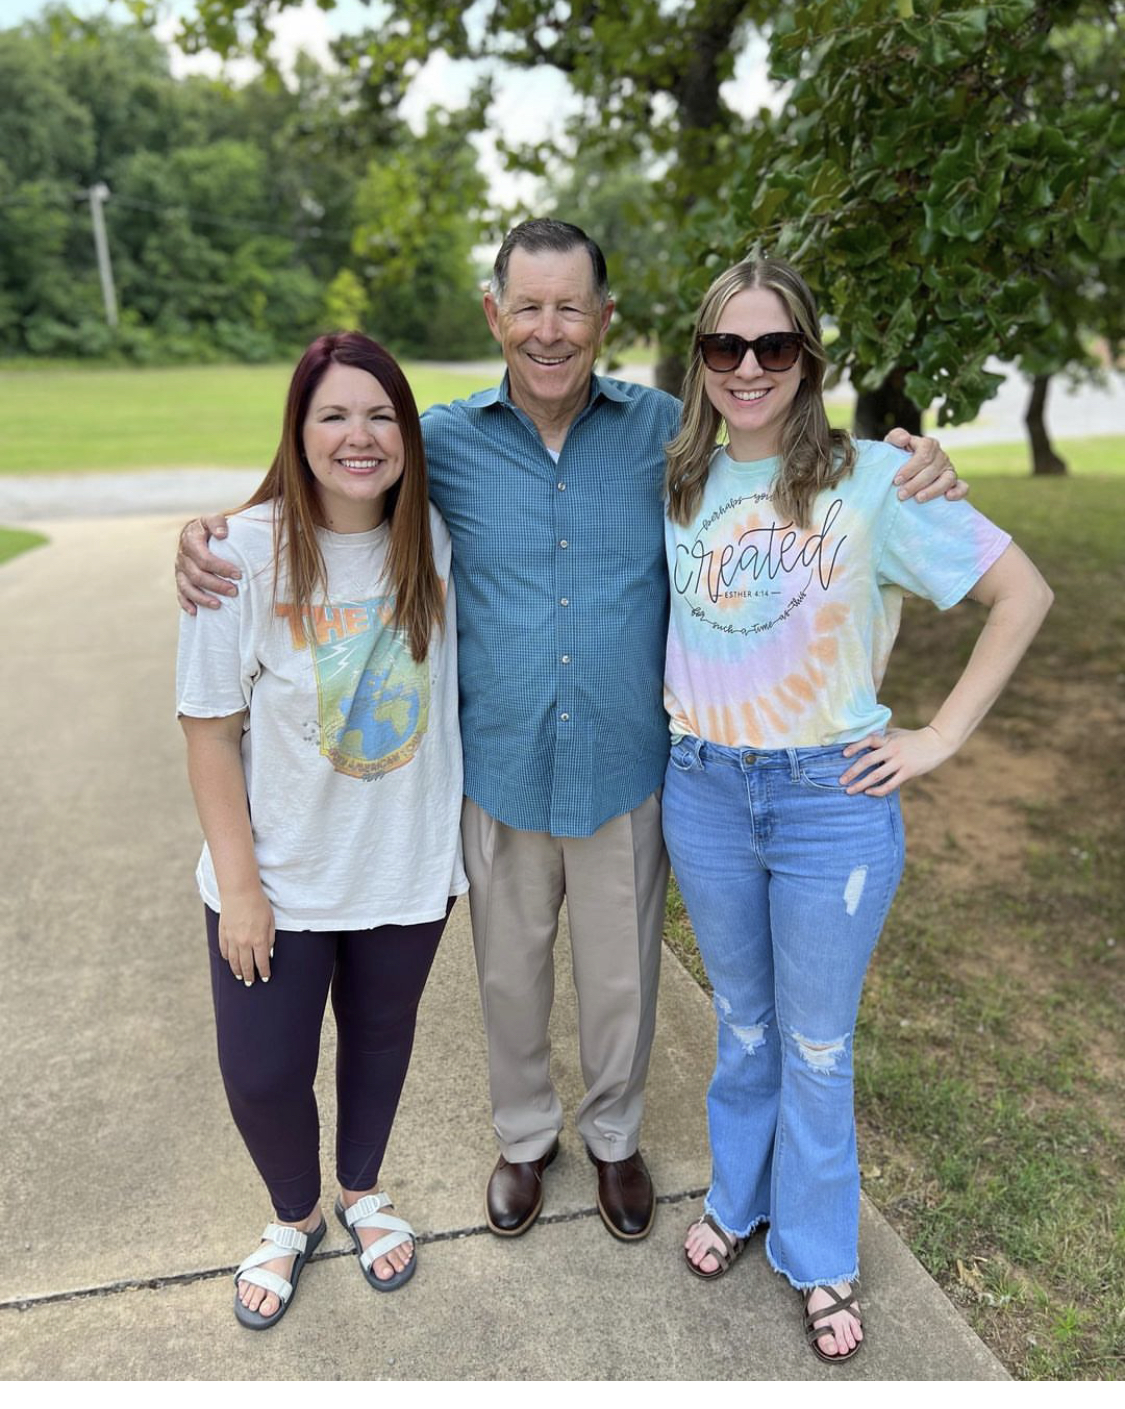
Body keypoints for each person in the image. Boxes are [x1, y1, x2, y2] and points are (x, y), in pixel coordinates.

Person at [176, 220, 965, 1245]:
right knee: (509, 975)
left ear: (605, 318)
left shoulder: (667, 435)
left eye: (571, 307)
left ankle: (616, 1136)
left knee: (622, 978)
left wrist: (909, 462)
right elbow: (332, 481)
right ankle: (523, 1138)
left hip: (621, 761)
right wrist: (204, 538)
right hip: (497, 765)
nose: (550, 331)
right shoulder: (443, 443)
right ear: (496, 316)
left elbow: (775, 452)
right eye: (528, 307)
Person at [661, 257, 1051, 1361]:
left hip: (829, 799)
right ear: (700, 359)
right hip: (704, 787)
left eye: (773, 347)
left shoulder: (876, 478)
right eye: (725, 347)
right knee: (744, 1026)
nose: (748, 368)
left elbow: (1022, 593)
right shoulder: (678, 480)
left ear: (808, 360)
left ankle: (820, 1250)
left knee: (818, 1044)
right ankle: (739, 1201)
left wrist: (938, 737)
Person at [176, 332, 467, 1329]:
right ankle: (294, 1214)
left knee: (381, 1042)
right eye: (334, 413)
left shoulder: (436, 533)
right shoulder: (236, 554)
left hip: (404, 864)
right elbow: (208, 731)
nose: (360, 434)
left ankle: (361, 1190)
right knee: (262, 1071)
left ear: (408, 432)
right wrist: (240, 884)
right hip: (279, 878)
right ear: (298, 430)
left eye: (382, 413)